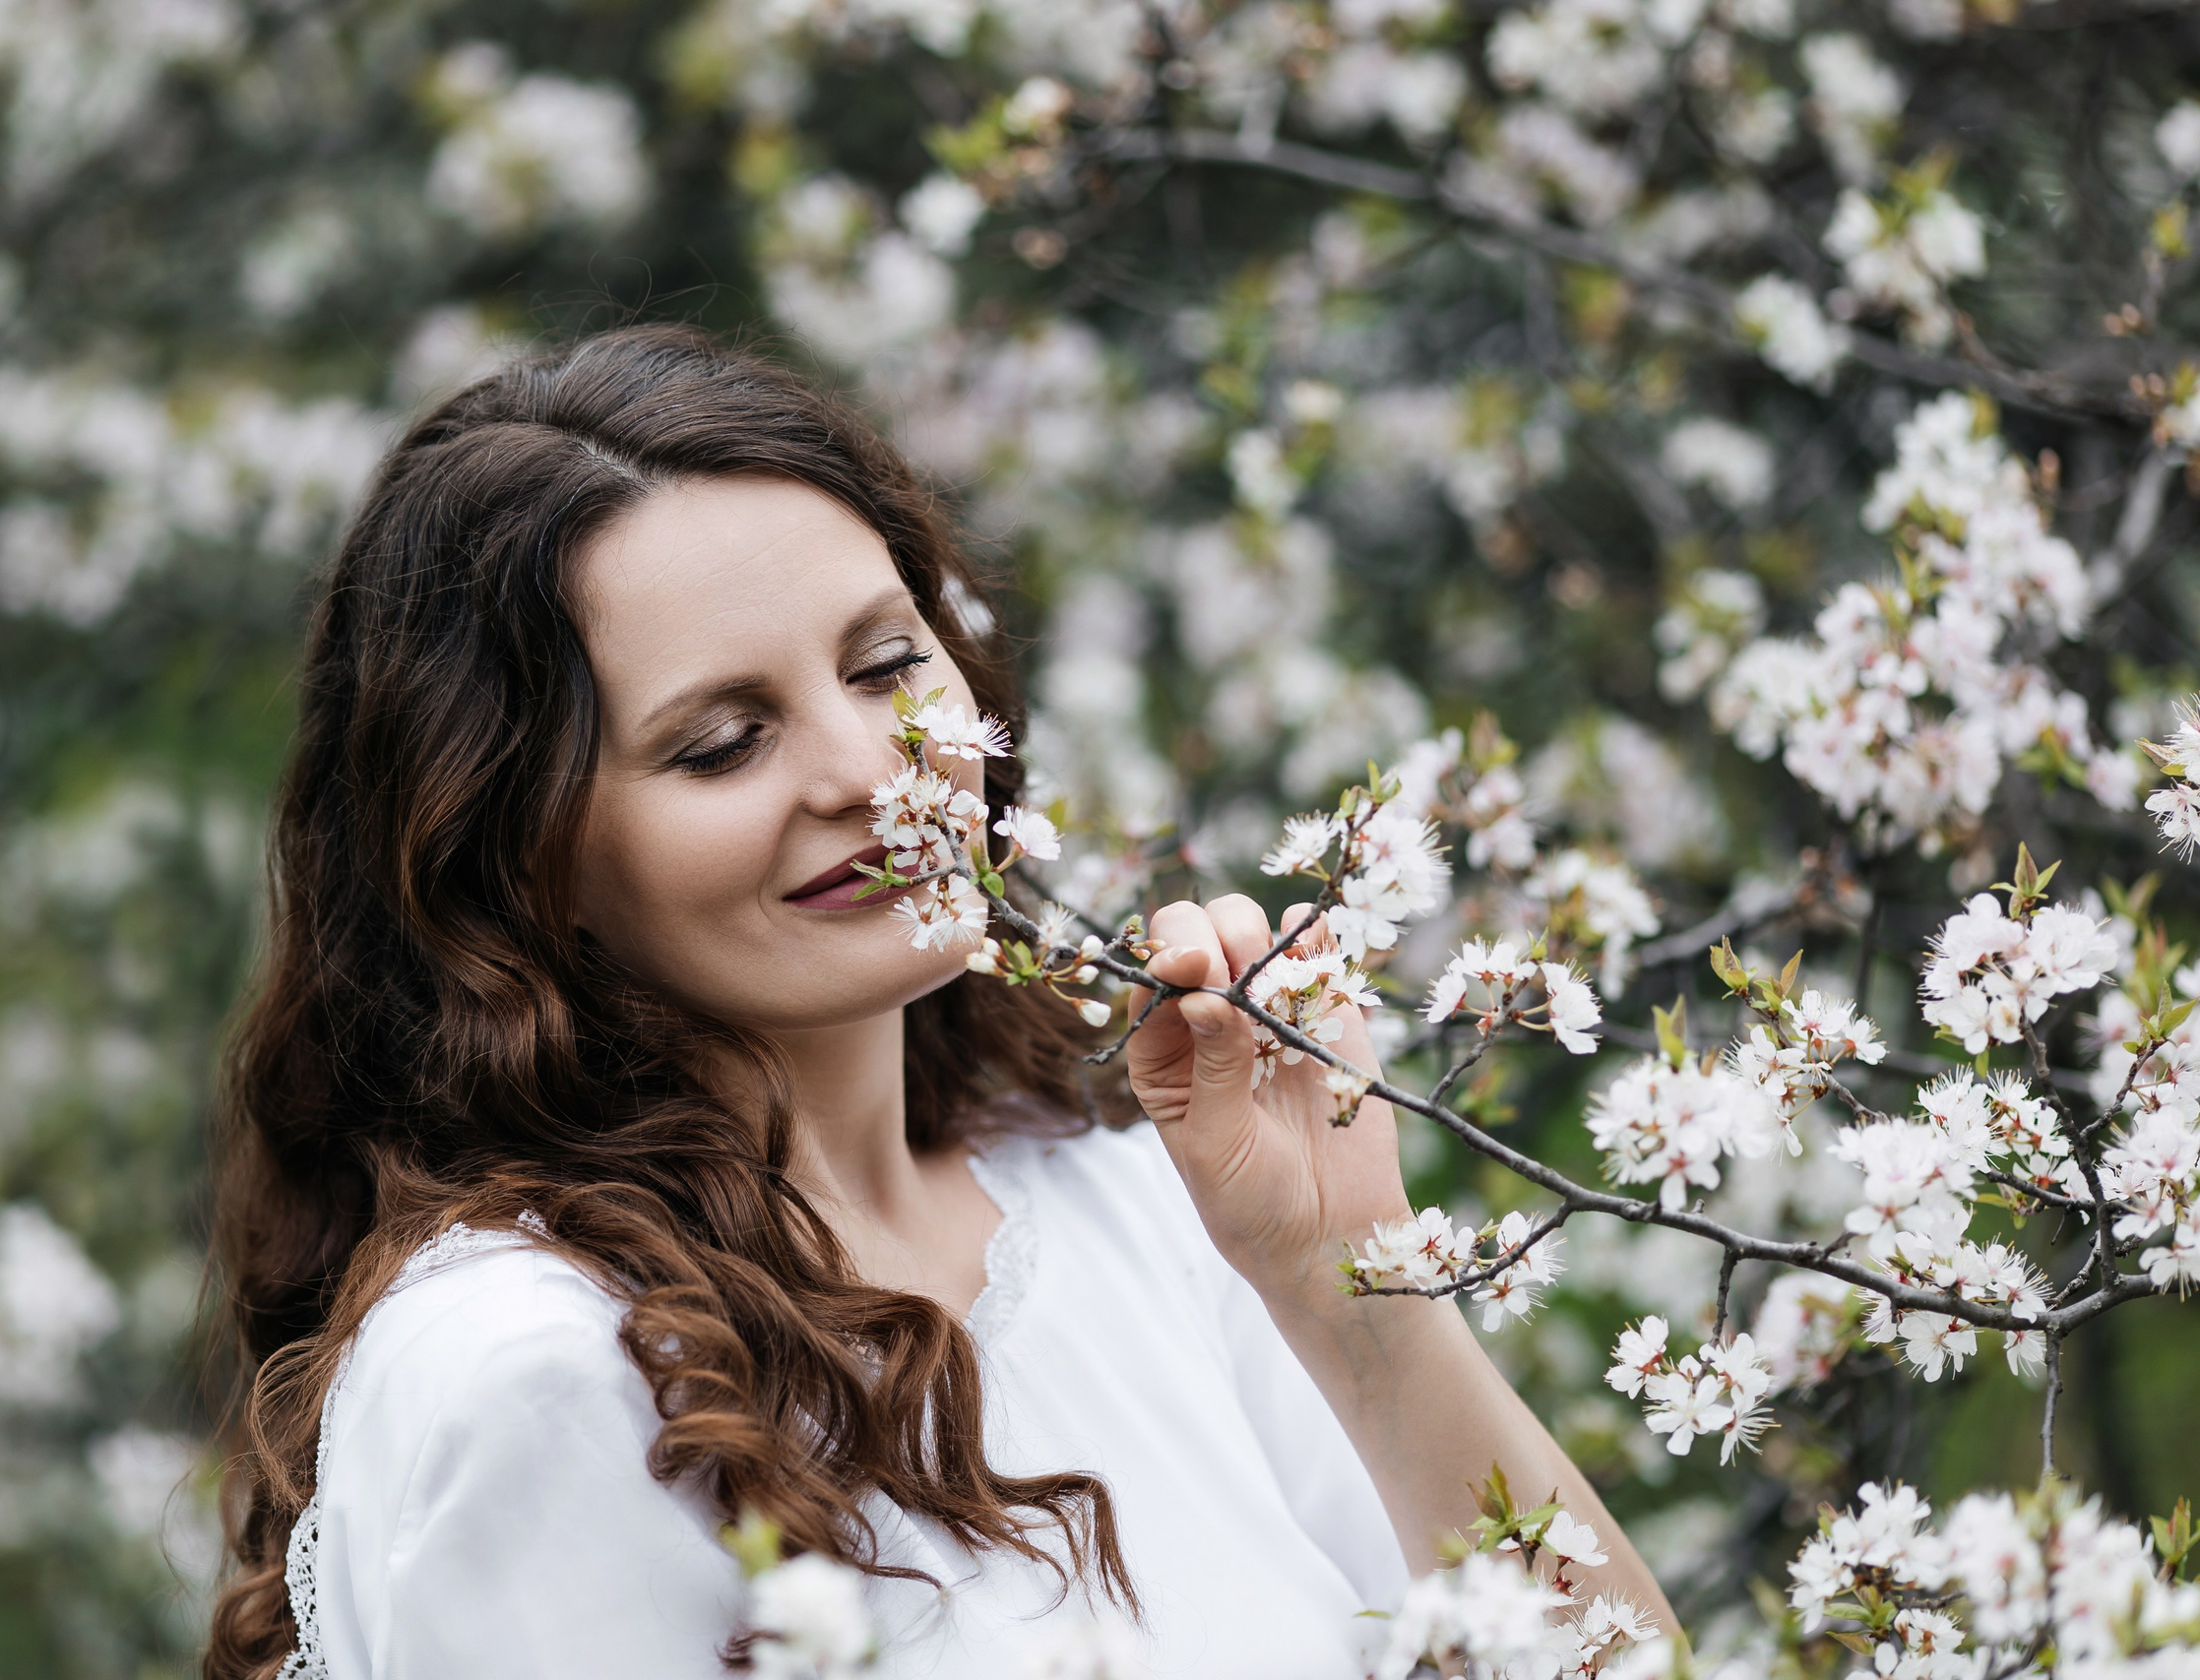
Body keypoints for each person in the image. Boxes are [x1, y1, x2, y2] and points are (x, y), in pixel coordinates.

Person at [204, 326, 1670, 1679]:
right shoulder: (541, 1375)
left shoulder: (1134, 1209)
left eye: (889, 663)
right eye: (722, 743)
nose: (865, 771)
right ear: (517, 857)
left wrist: (1343, 1274)